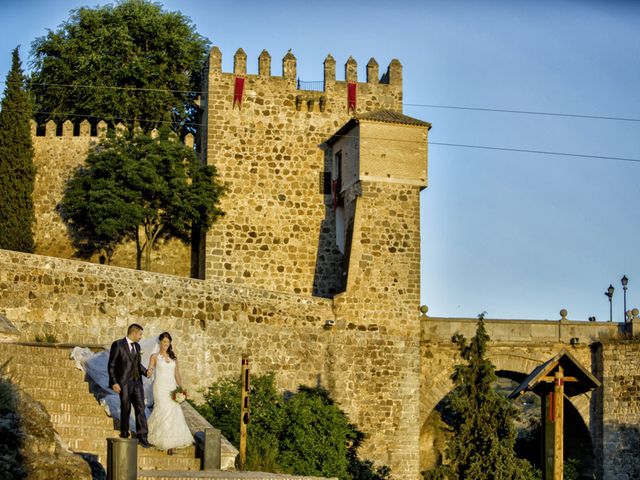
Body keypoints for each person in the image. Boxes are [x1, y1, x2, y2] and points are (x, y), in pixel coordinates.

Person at [147, 332, 194, 454]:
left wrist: (181, 388)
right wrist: (149, 371)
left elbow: (177, 374)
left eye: (168, 342)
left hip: (171, 386)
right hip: (160, 386)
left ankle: (171, 443)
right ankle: (160, 440)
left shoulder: (173, 357)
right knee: (162, 410)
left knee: (173, 412)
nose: (166, 345)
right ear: (160, 343)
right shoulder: (154, 356)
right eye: (164, 342)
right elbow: (150, 368)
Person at [108, 323, 152, 447]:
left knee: (140, 409)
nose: (141, 337)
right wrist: (114, 382)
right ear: (133, 333)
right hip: (124, 383)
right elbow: (111, 365)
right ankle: (124, 432)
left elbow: (137, 364)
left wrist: (145, 372)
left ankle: (142, 436)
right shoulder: (118, 345)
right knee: (126, 407)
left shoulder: (137, 347)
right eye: (140, 334)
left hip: (137, 383)